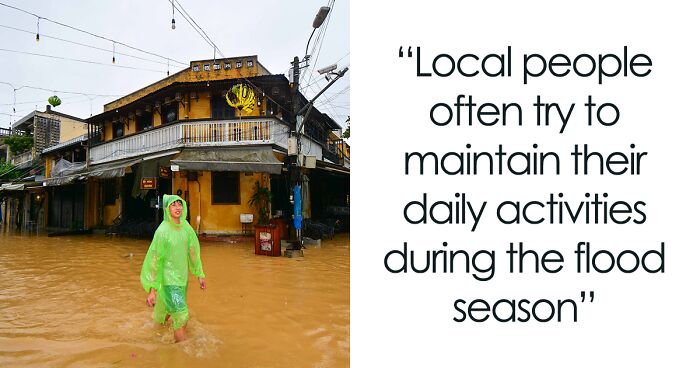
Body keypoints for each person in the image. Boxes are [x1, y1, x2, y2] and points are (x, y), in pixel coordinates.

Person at [140, 194, 206, 342]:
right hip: (170, 282)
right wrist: (152, 289)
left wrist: (199, 274)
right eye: (173, 205)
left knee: (163, 316)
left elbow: (193, 252)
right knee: (182, 315)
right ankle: (182, 352)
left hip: (182, 280)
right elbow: (154, 261)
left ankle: (153, 340)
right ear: (167, 208)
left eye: (180, 204)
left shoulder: (186, 228)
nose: (178, 208)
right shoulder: (162, 231)